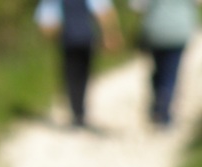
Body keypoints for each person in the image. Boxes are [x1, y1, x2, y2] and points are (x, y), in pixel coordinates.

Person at [36, 0, 124, 128]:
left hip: (68, 40)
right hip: (86, 39)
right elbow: (102, 12)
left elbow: (47, 19)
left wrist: (52, 35)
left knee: (70, 75)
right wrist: (110, 33)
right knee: (84, 74)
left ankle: (76, 111)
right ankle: (80, 111)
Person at [132, 0, 199, 126]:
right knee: (171, 73)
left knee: (158, 69)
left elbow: (137, 7)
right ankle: (164, 112)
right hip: (179, 31)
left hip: (154, 30)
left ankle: (157, 104)